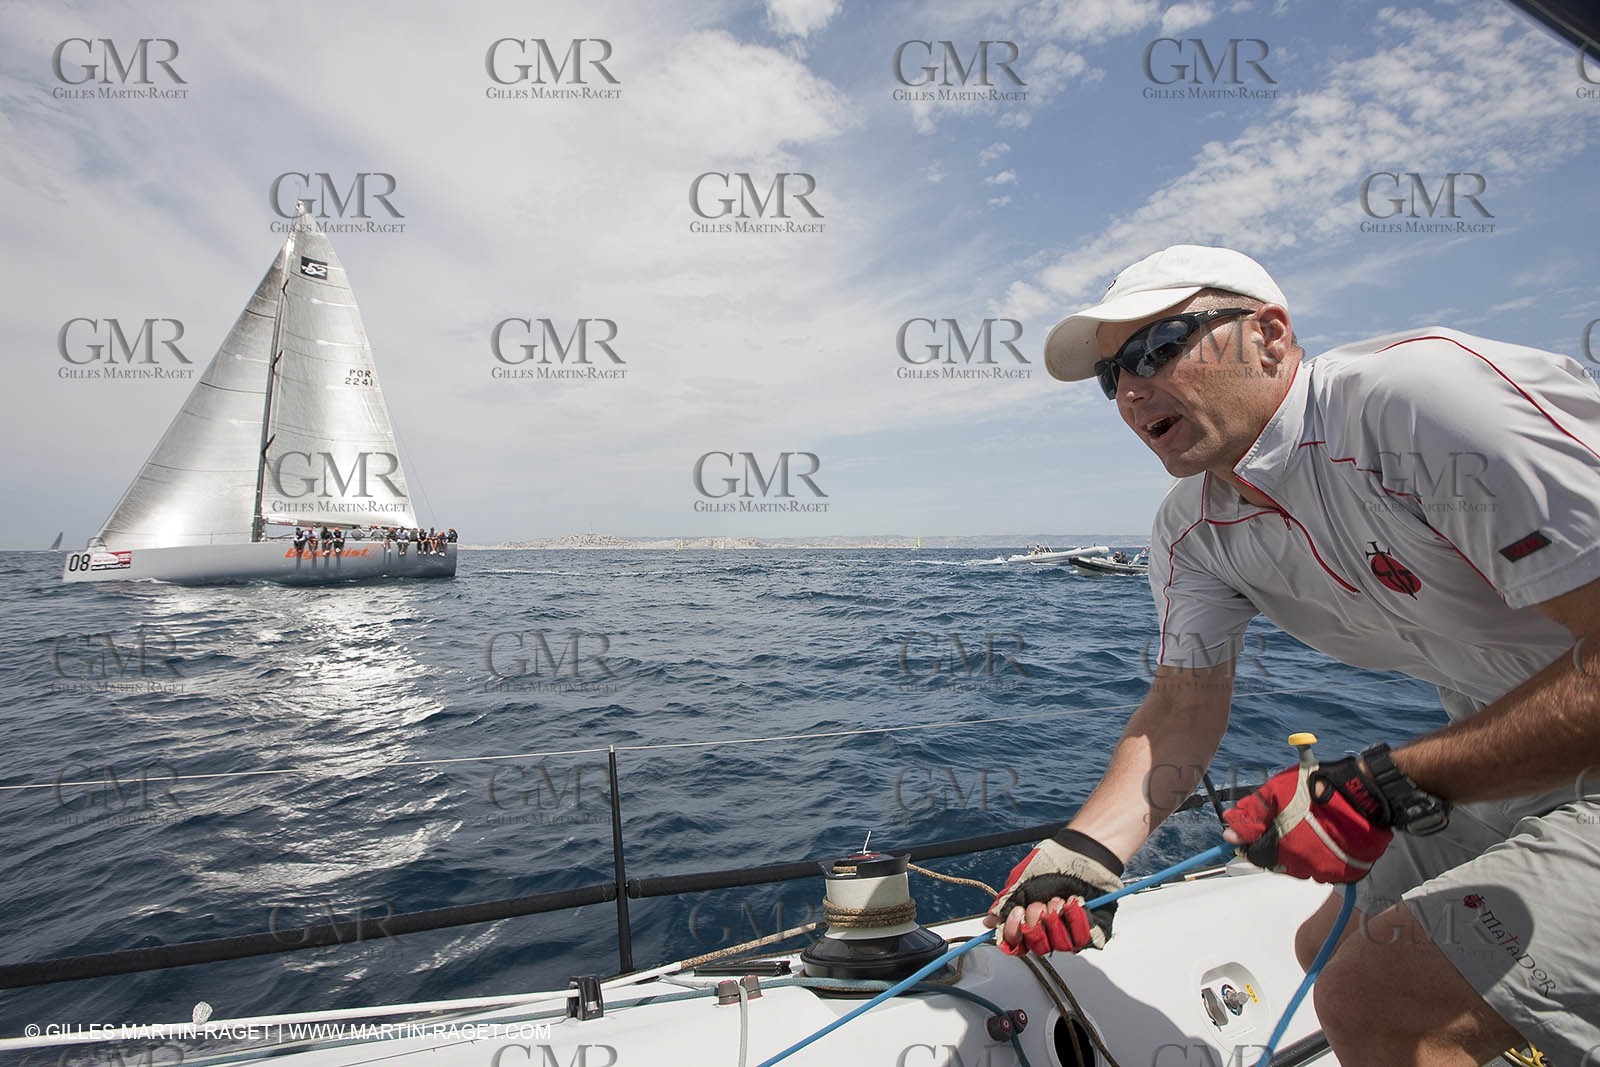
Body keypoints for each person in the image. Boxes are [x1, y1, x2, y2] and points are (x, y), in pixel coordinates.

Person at [986, 245, 1600, 1064]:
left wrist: (1390, 782)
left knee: (1377, 996)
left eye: (1158, 346)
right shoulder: (1192, 531)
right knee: (1326, 947)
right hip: (1520, 770)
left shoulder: (1419, 403)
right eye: (1111, 375)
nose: (1131, 389)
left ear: (1270, 336)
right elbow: (1181, 707)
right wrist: (1086, 851)